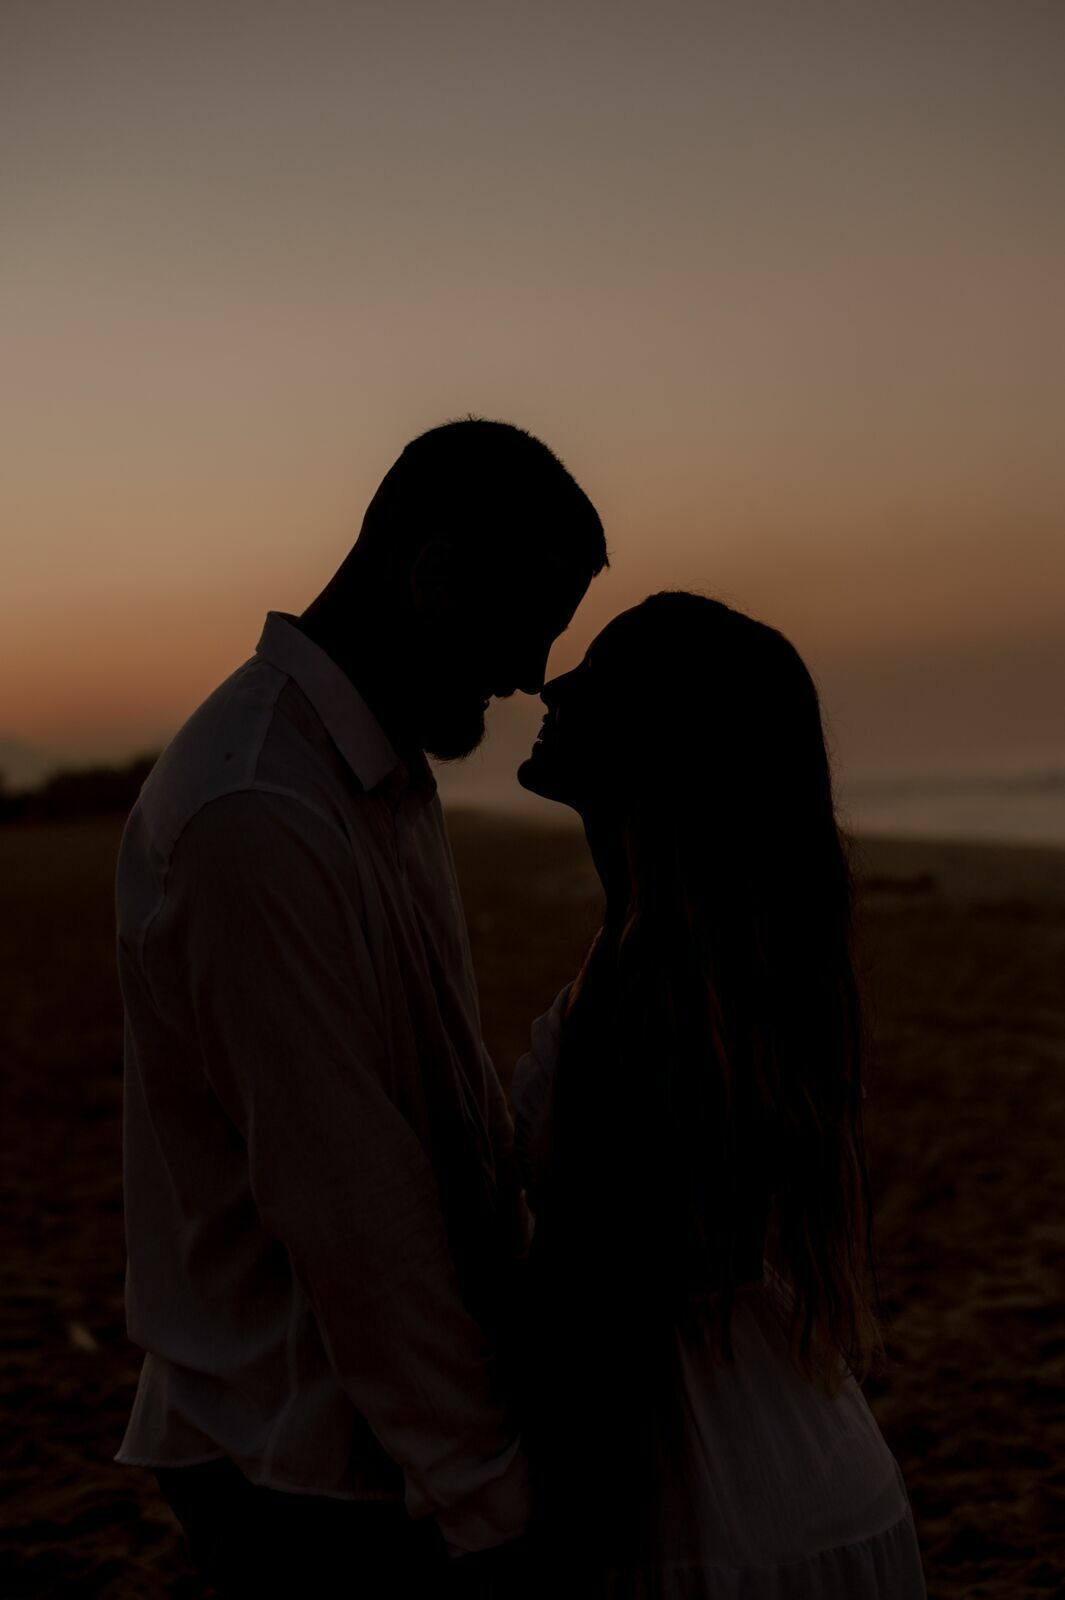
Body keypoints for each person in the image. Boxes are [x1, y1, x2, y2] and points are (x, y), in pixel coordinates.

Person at [112, 417, 606, 1598]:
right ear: (432, 575)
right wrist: (490, 1498)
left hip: (375, 1438)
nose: (534, 670)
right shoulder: (258, 811)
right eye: (529, 622)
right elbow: (351, 1205)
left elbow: (434, 1098)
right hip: (307, 1462)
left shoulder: (381, 773)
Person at [511, 591, 928, 1598]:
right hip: (811, 1468)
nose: (551, 682)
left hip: (694, 1514)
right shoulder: (723, 965)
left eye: (596, 670)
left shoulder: (647, 990)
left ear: (658, 738)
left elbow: (603, 1309)